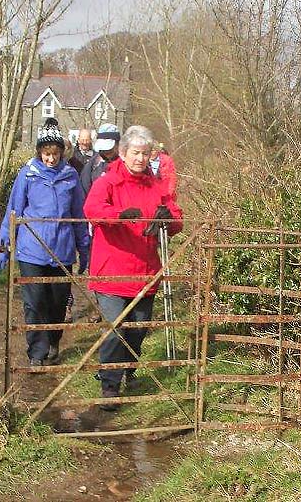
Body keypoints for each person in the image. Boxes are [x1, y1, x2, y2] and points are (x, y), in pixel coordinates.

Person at [83, 125, 183, 410]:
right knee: (116, 329)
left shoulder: (156, 185)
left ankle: (128, 370)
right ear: (123, 153)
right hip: (112, 270)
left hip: (145, 270)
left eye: (144, 153)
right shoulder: (108, 181)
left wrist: (167, 219)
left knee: (138, 329)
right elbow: (92, 209)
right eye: (135, 153)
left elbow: (176, 218)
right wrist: (118, 216)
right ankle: (109, 386)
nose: (140, 158)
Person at [0, 118, 90, 366]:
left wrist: (85, 249)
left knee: (58, 301)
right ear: (40, 152)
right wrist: (4, 245)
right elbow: (13, 211)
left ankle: (53, 340)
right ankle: (36, 354)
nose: (51, 158)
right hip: (32, 251)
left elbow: (78, 216)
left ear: (62, 153)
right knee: (34, 301)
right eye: (47, 153)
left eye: (55, 153)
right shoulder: (27, 174)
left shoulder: (70, 176)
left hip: (61, 251)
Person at [80, 123, 120, 197]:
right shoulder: (94, 163)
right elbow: (84, 190)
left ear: (117, 144)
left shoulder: (127, 164)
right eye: (102, 150)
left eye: (109, 150)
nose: (105, 153)